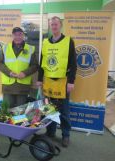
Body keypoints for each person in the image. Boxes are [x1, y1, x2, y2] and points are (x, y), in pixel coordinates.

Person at [37, 16, 77, 147]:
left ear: (60, 25)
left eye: (56, 24)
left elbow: (73, 63)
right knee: (49, 110)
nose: (54, 26)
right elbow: (42, 62)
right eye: (52, 25)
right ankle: (50, 133)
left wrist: (71, 81)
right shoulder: (46, 42)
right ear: (50, 26)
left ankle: (65, 135)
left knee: (64, 112)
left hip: (63, 82)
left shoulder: (68, 41)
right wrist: (39, 79)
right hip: (48, 81)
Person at [0, 27, 38, 108]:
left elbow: (35, 66)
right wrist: (9, 72)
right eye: (15, 35)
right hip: (8, 85)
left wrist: (25, 73)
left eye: (20, 34)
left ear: (23, 36)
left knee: (21, 111)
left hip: (23, 85)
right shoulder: (5, 48)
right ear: (12, 36)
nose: (18, 37)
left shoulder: (30, 48)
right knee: (7, 109)